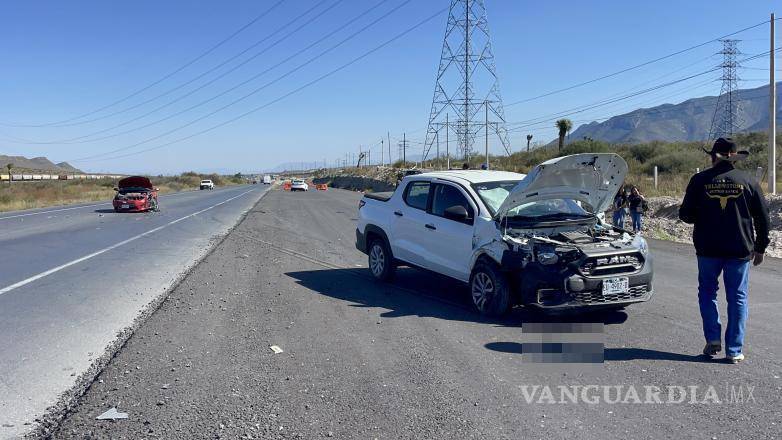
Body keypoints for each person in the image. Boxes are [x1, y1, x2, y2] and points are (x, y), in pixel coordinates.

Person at [679, 138, 770, 364]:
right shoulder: (747, 181)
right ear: (735, 156)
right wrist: (760, 248)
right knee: (738, 297)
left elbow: (685, 215)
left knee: (707, 293)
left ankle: (712, 339)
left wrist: (704, 213)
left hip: (708, 249)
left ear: (712, 156)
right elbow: (763, 218)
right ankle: (734, 350)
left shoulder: (699, 180)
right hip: (739, 249)